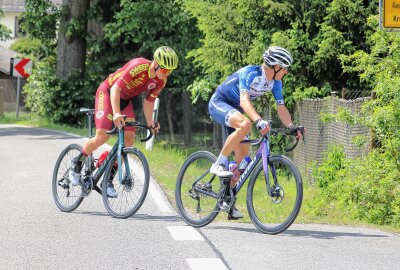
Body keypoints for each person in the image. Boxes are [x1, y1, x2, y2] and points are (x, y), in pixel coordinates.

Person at [69, 46, 179, 198]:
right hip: (108, 93)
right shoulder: (138, 66)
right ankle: (76, 162)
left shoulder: (161, 81)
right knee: (102, 136)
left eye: (171, 71)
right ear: (156, 63)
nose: (167, 74)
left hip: (125, 100)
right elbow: (115, 89)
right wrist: (116, 114)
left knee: (128, 140)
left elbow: (149, 100)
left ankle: (107, 179)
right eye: (165, 70)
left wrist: (150, 122)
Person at [208, 46, 303, 219]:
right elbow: (244, 101)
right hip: (219, 103)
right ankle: (218, 164)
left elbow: (280, 106)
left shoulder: (276, 82)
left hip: (234, 109)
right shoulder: (250, 73)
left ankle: (226, 199)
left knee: (243, 157)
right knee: (246, 124)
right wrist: (258, 120)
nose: (287, 72)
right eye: (285, 68)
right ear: (275, 66)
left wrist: (291, 126)